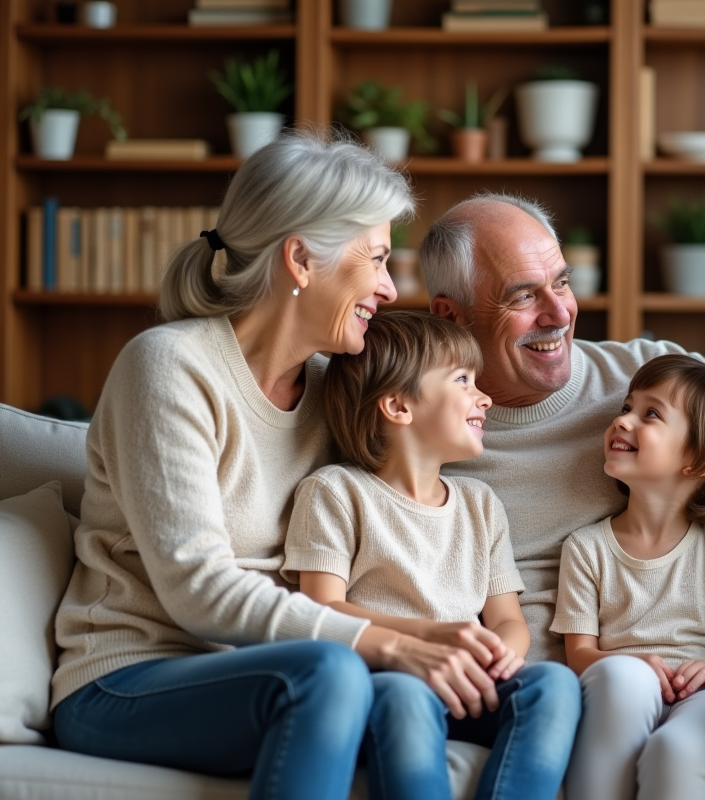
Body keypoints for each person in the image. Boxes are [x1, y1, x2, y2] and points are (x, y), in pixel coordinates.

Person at [50, 133, 503, 800]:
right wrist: (384, 645)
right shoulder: (170, 367)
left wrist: (435, 638)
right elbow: (197, 588)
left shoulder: (334, 390)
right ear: (300, 258)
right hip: (125, 681)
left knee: (412, 692)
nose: (389, 286)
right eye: (377, 258)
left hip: (281, 672)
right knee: (335, 673)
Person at [283, 309, 581, 800]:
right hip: (390, 678)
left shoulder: (480, 504)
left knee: (553, 685)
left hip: (471, 684)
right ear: (398, 406)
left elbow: (508, 619)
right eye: (463, 380)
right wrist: (429, 640)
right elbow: (321, 609)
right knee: (403, 696)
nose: (483, 396)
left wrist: (498, 658)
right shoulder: (335, 492)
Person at [422, 192, 687, 665]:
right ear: (450, 315)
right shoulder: (408, 422)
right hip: (493, 689)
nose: (561, 315)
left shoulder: (655, 383)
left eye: (562, 283)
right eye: (523, 295)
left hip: (642, 685)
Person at [553, 354, 705, 800]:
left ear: (701, 460)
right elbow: (580, 655)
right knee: (623, 682)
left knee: (676, 749)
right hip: (618, 688)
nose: (624, 421)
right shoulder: (586, 548)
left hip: (704, 698)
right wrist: (631, 666)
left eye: (651, 414)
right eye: (626, 407)